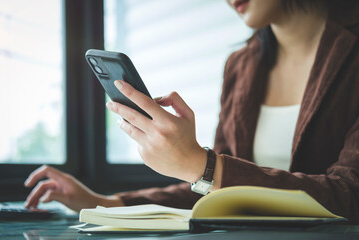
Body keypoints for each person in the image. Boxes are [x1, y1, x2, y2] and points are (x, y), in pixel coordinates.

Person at [24, 0, 359, 223]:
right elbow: (215, 187)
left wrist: (203, 165)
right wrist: (103, 203)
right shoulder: (241, 66)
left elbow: (351, 195)